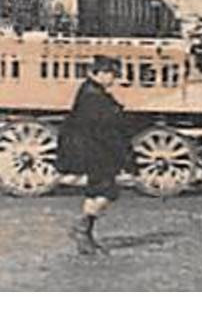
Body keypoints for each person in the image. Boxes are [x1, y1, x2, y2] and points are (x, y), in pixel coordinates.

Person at [56, 55, 132, 256]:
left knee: (98, 191)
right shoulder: (94, 96)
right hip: (98, 151)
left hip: (95, 149)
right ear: (98, 74)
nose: (113, 79)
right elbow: (104, 127)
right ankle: (82, 229)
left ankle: (85, 233)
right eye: (111, 74)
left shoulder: (91, 91)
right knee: (105, 192)